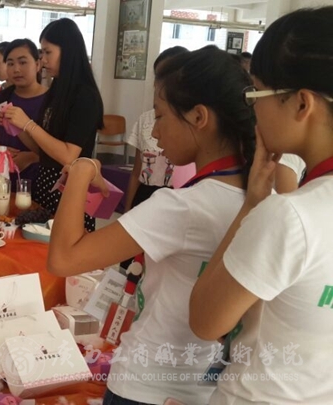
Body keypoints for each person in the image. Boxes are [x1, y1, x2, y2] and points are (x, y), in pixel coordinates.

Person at [48, 47, 256, 405]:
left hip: (145, 385)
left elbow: (63, 259)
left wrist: (82, 169)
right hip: (210, 388)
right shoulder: (263, 199)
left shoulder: (182, 206)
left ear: (199, 117)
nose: (155, 133)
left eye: (160, 116)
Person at [190, 7, 333, 404]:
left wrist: (252, 205)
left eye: (255, 93)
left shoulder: (290, 216)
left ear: (301, 104)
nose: (252, 109)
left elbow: (205, 320)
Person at [3, 18, 104, 231]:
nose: (43, 59)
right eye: (42, 52)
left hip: (70, 190)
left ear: (67, 51)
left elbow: (68, 156)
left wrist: (28, 124)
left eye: (48, 52)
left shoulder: (85, 96)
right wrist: (16, 127)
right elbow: (43, 149)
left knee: (63, 247)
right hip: (46, 186)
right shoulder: (57, 90)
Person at [123, 46, 190, 213]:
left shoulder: (193, 123)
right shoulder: (145, 119)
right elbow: (136, 171)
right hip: (145, 197)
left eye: (167, 76)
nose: (158, 83)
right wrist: (127, 210)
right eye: (158, 76)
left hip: (178, 200)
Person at [0, 39, 46, 186]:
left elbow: (63, 151)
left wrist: (33, 157)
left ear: (38, 64)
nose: (16, 69)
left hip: (42, 183)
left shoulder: (52, 101)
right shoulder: (0, 98)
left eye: (23, 62)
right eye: (10, 63)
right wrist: (1, 150)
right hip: (4, 181)